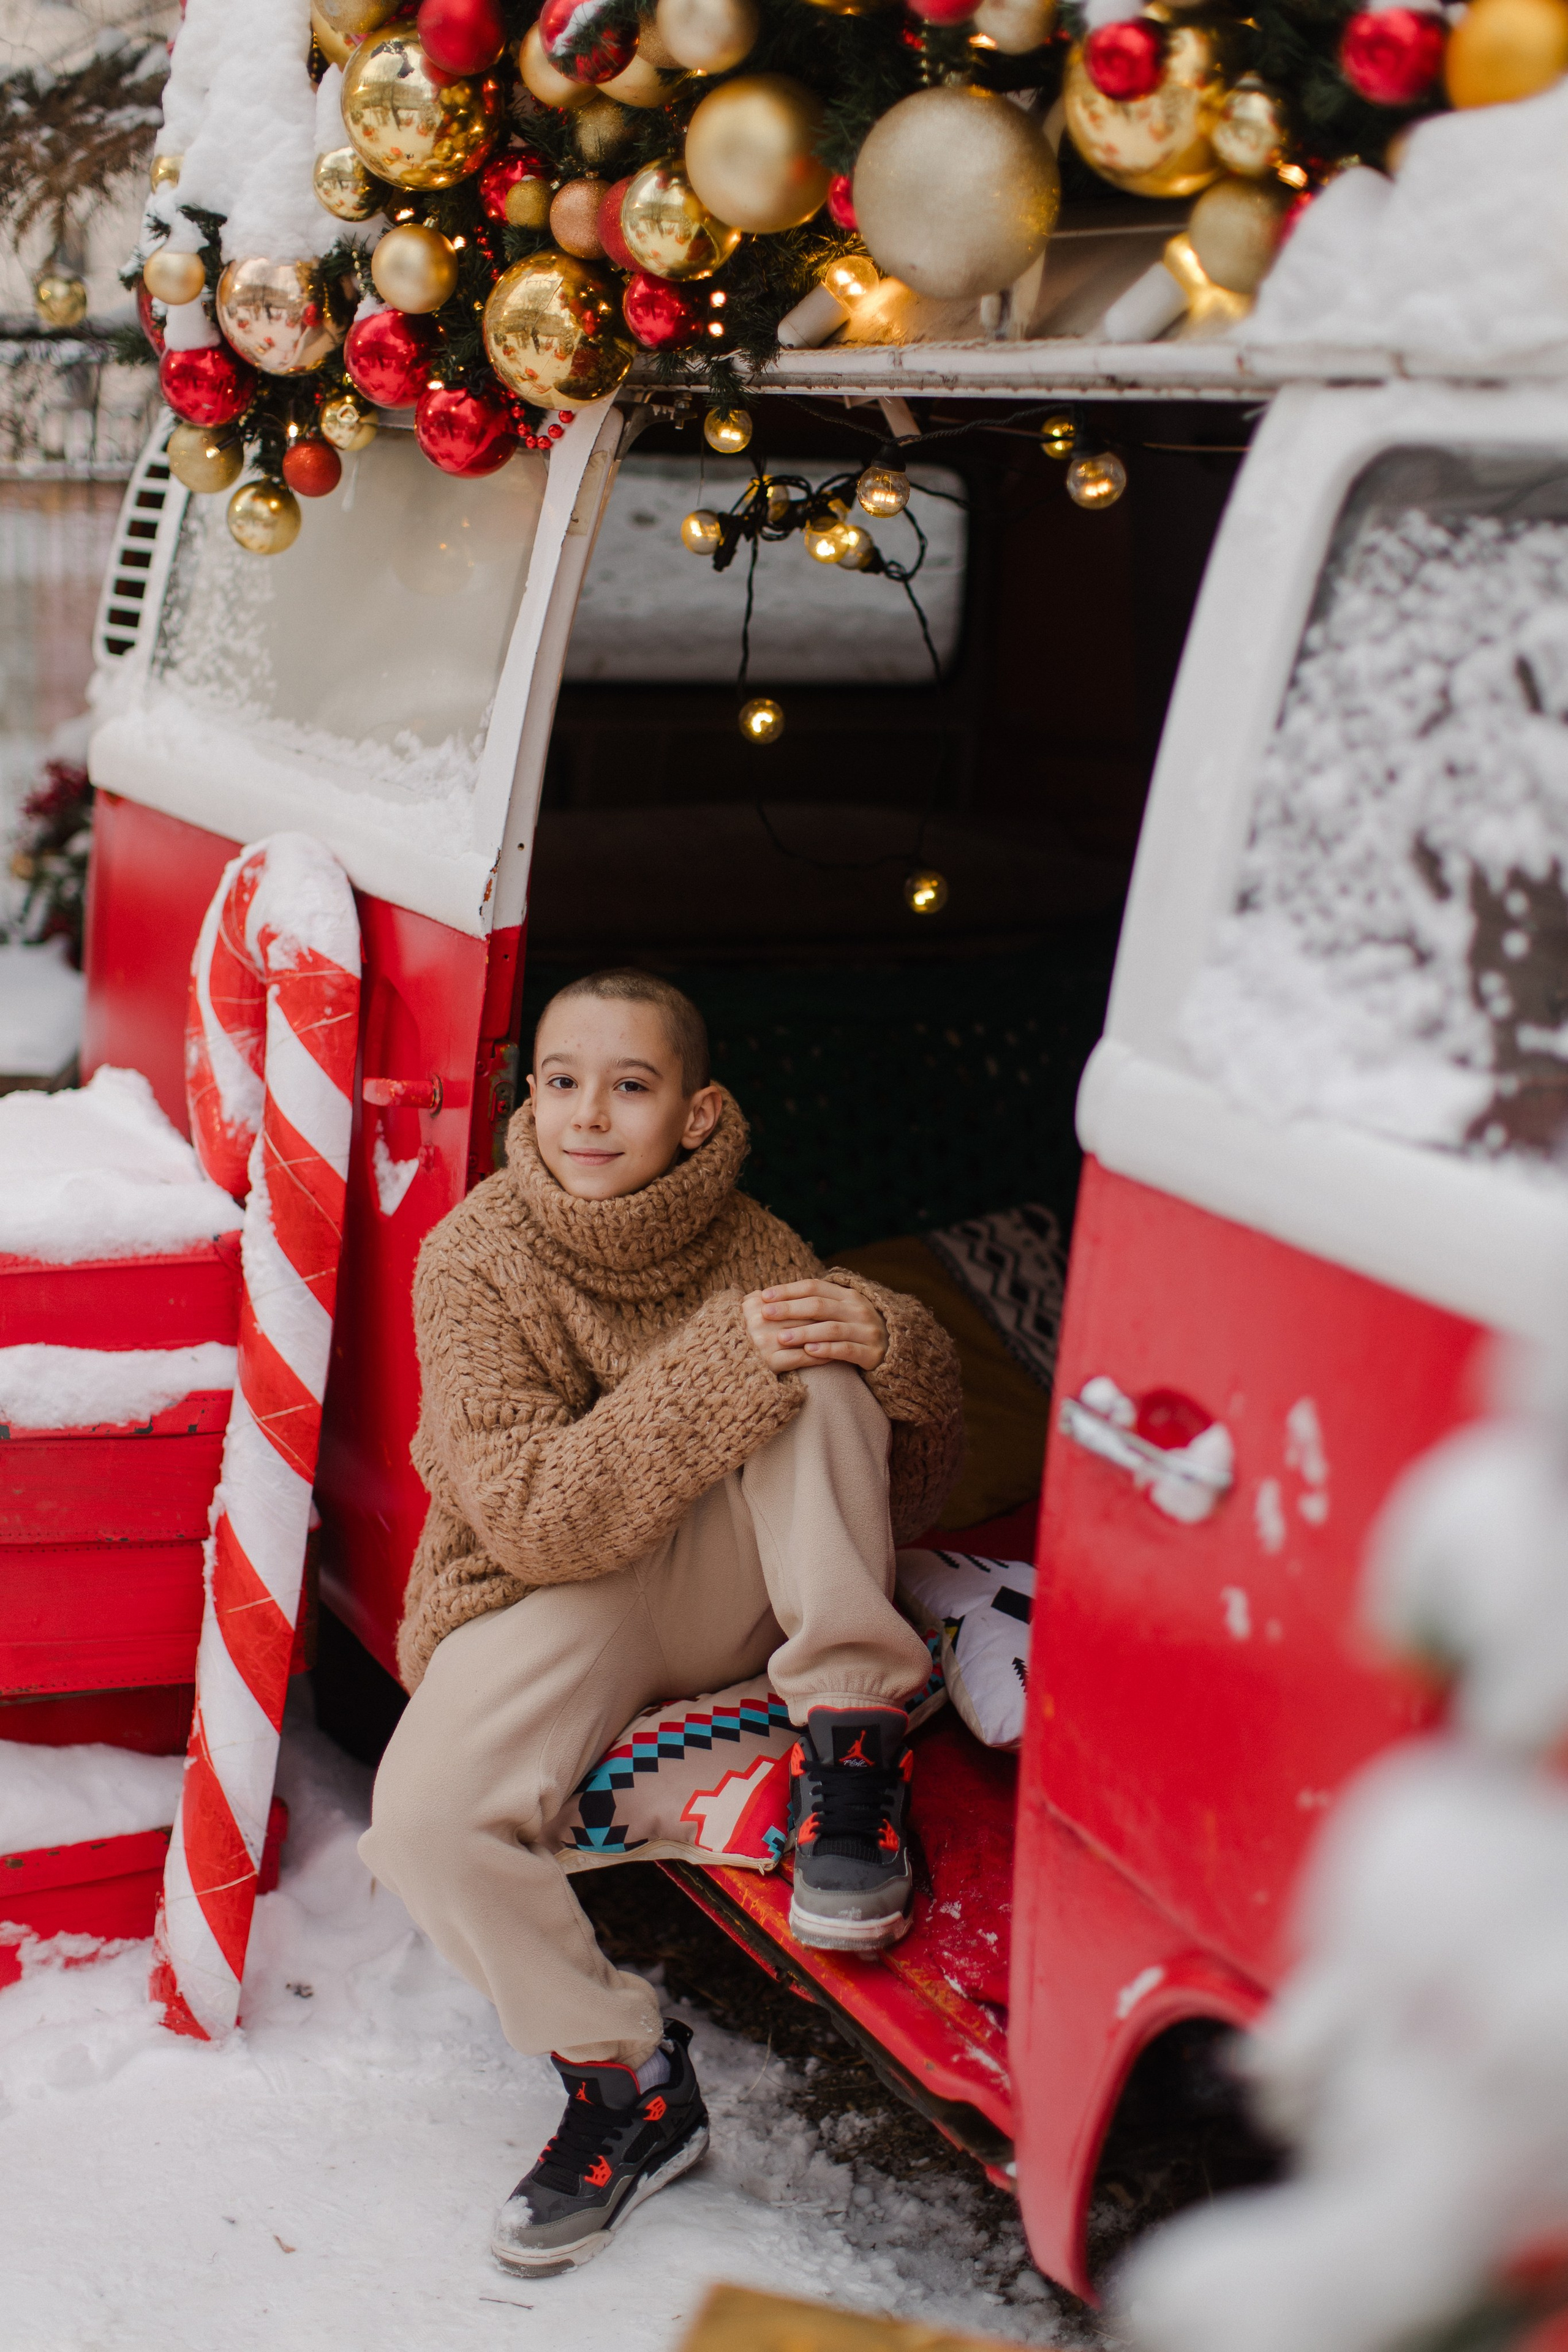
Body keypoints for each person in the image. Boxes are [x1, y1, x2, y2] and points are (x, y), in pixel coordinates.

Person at [360, 968, 963, 2277]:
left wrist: (888, 1337)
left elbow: (903, 1483)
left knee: (818, 1354)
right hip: (551, 1593)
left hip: (725, 1585)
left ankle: (850, 1746)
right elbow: (534, 1519)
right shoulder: (474, 1256)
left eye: (630, 1086)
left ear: (695, 1115)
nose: (588, 1115)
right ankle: (625, 2085)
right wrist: (720, 1367)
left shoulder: (752, 1245)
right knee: (418, 1825)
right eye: (563, 1081)